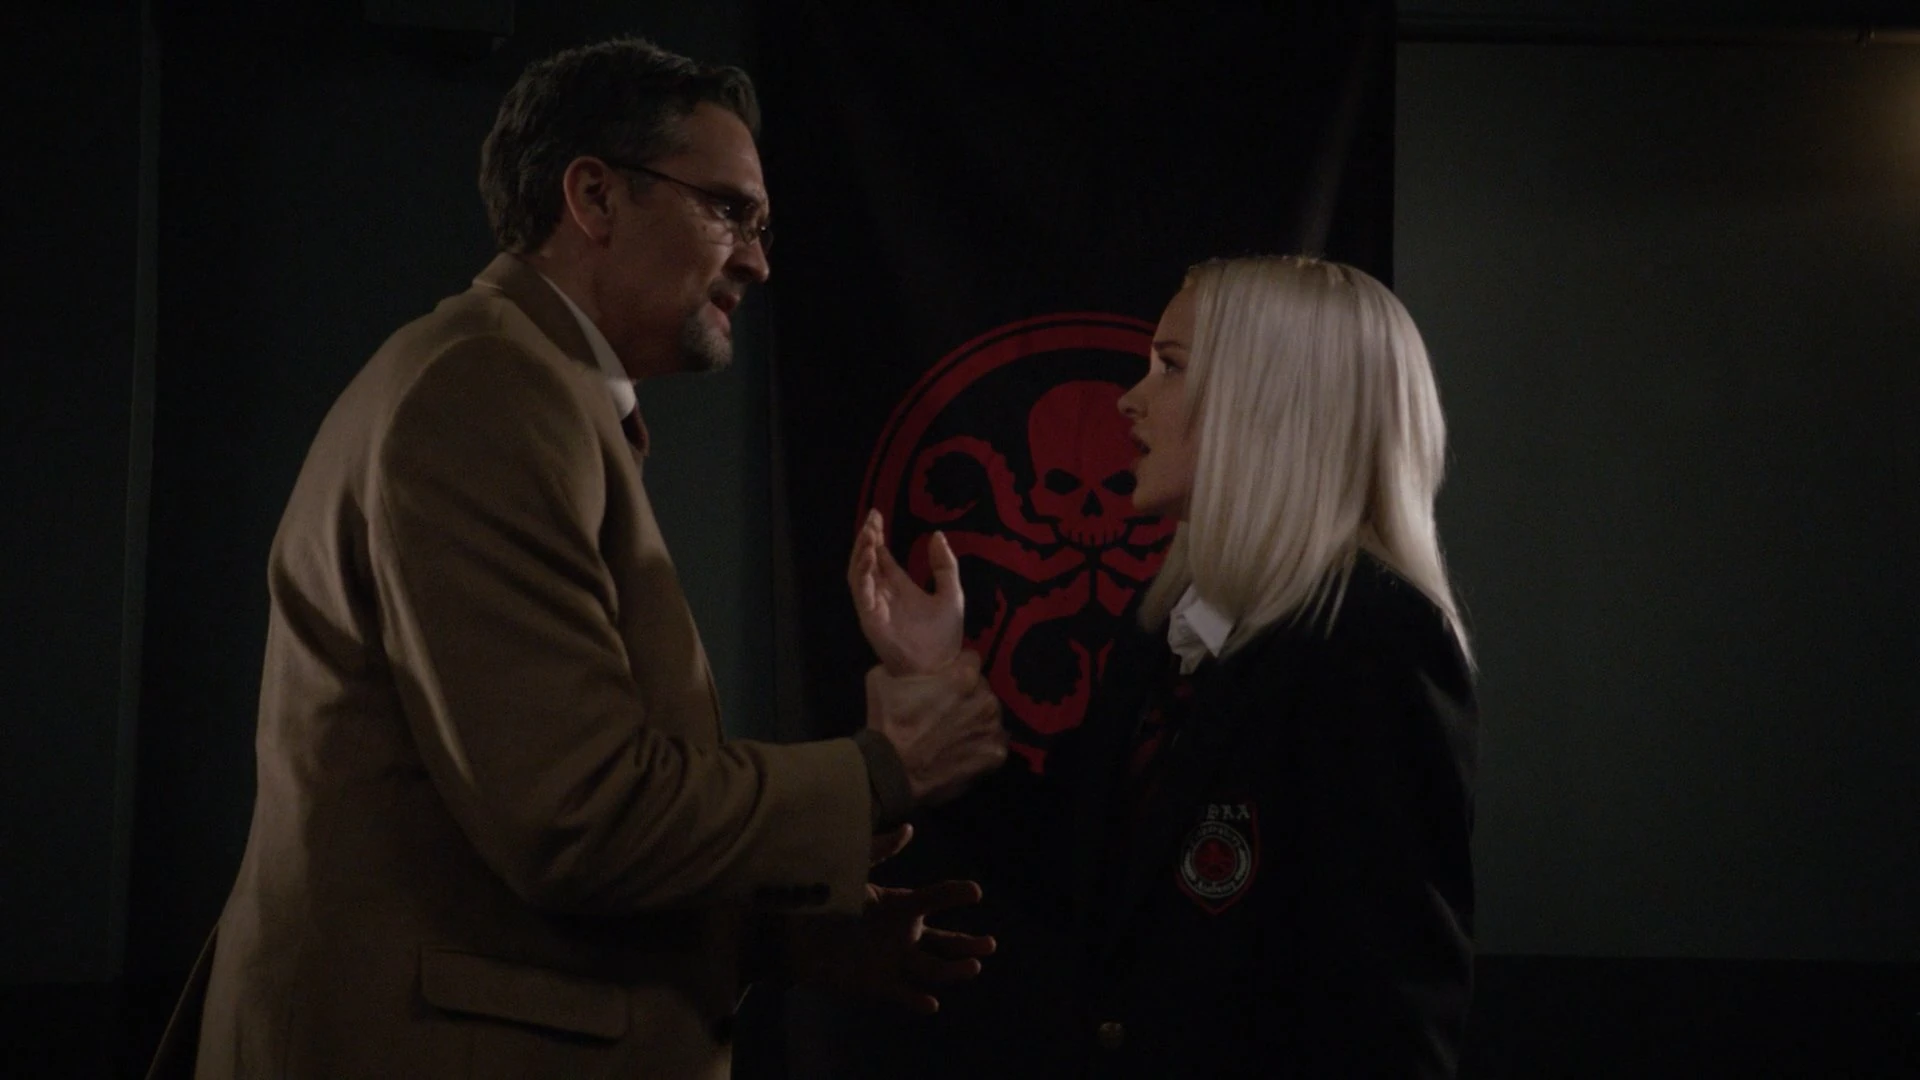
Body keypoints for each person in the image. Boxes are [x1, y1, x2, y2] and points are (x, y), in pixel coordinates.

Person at [148, 37, 1008, 1080]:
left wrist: (774, 940)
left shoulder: (523, 386)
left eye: (762, 226)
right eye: (729, 212)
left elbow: (479, 830)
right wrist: (883, 769)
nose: (757, 261)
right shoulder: (485, 393)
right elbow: (576, 819)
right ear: (595, 196)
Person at [850, 254, 1479, 1077]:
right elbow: (1070, 865)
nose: (1130, 398)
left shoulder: (1376, 636)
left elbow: (1392, 1007)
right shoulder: (1166, 631)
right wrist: (936, 677)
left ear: (1270, 399)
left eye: (1170, 367)